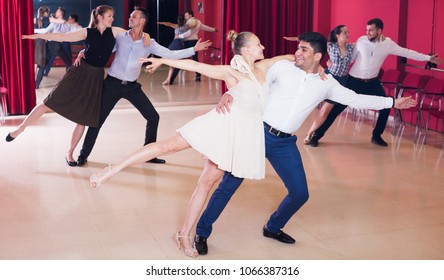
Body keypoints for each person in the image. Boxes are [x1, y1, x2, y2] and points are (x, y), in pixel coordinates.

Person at [192, 32, 418, 256]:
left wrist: (392, 102)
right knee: (228, 185)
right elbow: (251, 85)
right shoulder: (281, 68)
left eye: (303, 49)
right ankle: (201, 232)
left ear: (318, 56)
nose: (297, 53)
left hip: (284, 143)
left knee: (300, 193)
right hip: (258, 133)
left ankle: (272, 227)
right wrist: (230, 94)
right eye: (298, 48)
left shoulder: (326, 83)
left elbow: (355, 98)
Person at [88, 30, 295, 257]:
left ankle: (184, 234)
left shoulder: (263, 68)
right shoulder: (231, 72)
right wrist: (161, 60)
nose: (263, 47)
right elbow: (195, 67)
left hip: (235, 136)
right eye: (258, 45)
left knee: (205, 184)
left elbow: (288, 57)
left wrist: (308, 52)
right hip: (219, 124)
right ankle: (111, 170)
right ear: (246, 50)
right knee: (167, 146)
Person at [6, 5, 150, 166]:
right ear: (100, 17)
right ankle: (21, 128)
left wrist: (147, 35)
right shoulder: (86, 32)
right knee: (48, 103)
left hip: (96, 77)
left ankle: (70, 153)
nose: (112, 18)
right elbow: (62, 37)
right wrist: (36, 36)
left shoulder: (115, 31)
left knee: (83, 117)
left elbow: (134, 34)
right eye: (109, 16)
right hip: (79, 73)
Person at [74, 7, 212, 167]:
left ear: (142, 21)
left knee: (153, 117)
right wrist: (83, 52)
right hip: (111, 83)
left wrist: (193, 49)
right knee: (97, 120)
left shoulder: (149, 43)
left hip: (131, 87)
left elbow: (169, 54)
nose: (130, 18)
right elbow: (101, 48)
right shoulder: (120, 37)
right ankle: (82, 156)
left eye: (134, 17)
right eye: (131, 16)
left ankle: (149, 155)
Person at [309, 18, 442, 147]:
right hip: (354, 81)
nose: (367, 33)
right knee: (337, 109)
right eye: (367, 30)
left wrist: (428, 58)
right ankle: (316, 136)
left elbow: (406, 52)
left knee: (386, 105)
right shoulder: (361, 41)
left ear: (379, 31)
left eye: (371, 30)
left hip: (373, 82)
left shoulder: (388, 44)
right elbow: (349, 59)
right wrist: (332, 64)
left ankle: (376, 136)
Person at [168, 9, 218, 84]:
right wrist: (214, 29)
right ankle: (198, 76)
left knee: (181, 59)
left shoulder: (190, 22)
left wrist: (179, 36)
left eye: (186, 15)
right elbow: (205, 27)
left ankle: (171, 79)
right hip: (195, 42)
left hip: (187, 42)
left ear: (190, 15)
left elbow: (188, 33)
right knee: (195, 59)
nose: (185, 17)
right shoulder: (198, 21)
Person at [35, 7, 73, 77]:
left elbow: (46, 31)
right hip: (55, 44)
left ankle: (37, 83)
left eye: (57, 11)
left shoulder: (56, 22)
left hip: (53, 44)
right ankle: (68, 77)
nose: (55, 12)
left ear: (61, 14)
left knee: (45, 64)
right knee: (68, 62)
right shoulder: (56, 22)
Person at [157, 15, 195, 85]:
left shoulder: (176, 26)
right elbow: (194, 25)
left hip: (174, 43)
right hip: (181, 45)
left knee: (171, 61)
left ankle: (168, 79)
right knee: (176, 63)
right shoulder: (186, 27)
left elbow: (169, 24)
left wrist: (161, 23)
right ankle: (169, 79)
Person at [34, 6, 50, 89]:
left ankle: (31, 82)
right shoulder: (47, 20)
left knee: (34, 64)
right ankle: (36, 84)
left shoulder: (35, 20)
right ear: (45, 13)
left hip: (34, 41)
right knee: (41, 65)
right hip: (41, 43)